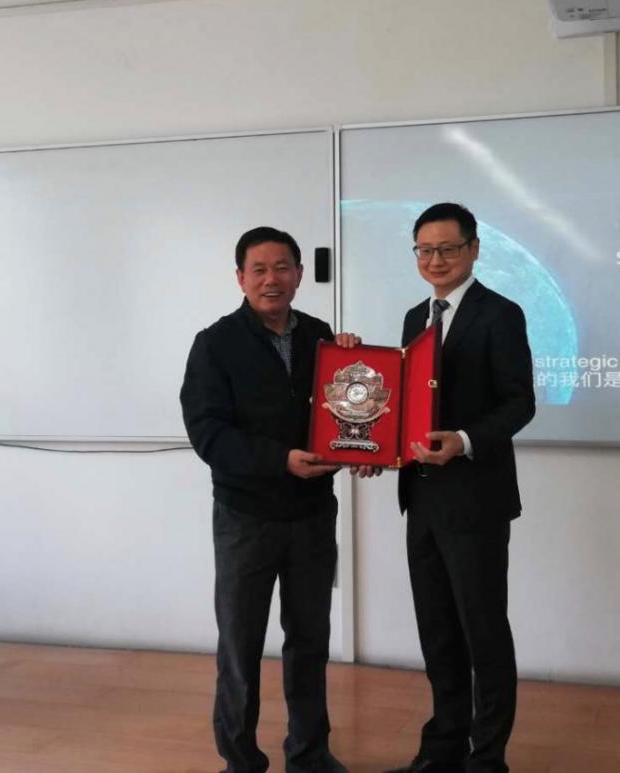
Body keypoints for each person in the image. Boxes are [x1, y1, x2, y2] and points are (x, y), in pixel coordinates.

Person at [180, 226, 354, 773]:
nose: (271, 279)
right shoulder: (214, 343)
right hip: (245, 517)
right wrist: (280, 459)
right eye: (258, 269)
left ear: (299, 275)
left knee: (310, 640)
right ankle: (240, 761)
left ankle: (310, 754)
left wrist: (359, 367)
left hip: (312, 513)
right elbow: (207, 434)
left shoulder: (322, 338)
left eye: (282, 267)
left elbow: (348, 410)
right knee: (240, 644)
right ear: (240, 278)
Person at [386, 203, 536, 773]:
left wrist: (466, 440)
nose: (436, 260)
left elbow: (519, 402)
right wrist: (376, 446)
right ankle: (441, 751)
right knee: (438, 632)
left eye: (448, 248)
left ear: (474, 249)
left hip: (475, 500)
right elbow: (407, 403)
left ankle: (487, 759)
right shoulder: (414, 318)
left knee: (483, 633)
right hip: (421, 498)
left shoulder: (500, 314)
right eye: (425, 250)